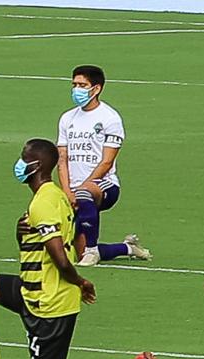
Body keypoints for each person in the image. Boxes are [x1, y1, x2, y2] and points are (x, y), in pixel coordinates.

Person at [0, 138, 169, 359]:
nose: (19, 164)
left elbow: (58, 255)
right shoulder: (55, 195)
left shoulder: (43, 203)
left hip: (50, 301)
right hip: (31, 289)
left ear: (36, 166)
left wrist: (80, 282)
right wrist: (19, 233)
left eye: (24, 159)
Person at [56, 65, 150, 267]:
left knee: (84, 193)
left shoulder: (110, 118)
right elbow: (62, 158)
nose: (76, 90)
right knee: (77, 253)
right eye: (74, 85)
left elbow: (107, 161)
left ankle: (91, 251)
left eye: (82, 85)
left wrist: (83, 186)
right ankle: (127, 248)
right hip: (74, 189)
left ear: (96, 89)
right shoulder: (67, 118)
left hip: (103, 185)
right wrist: (67, 191)